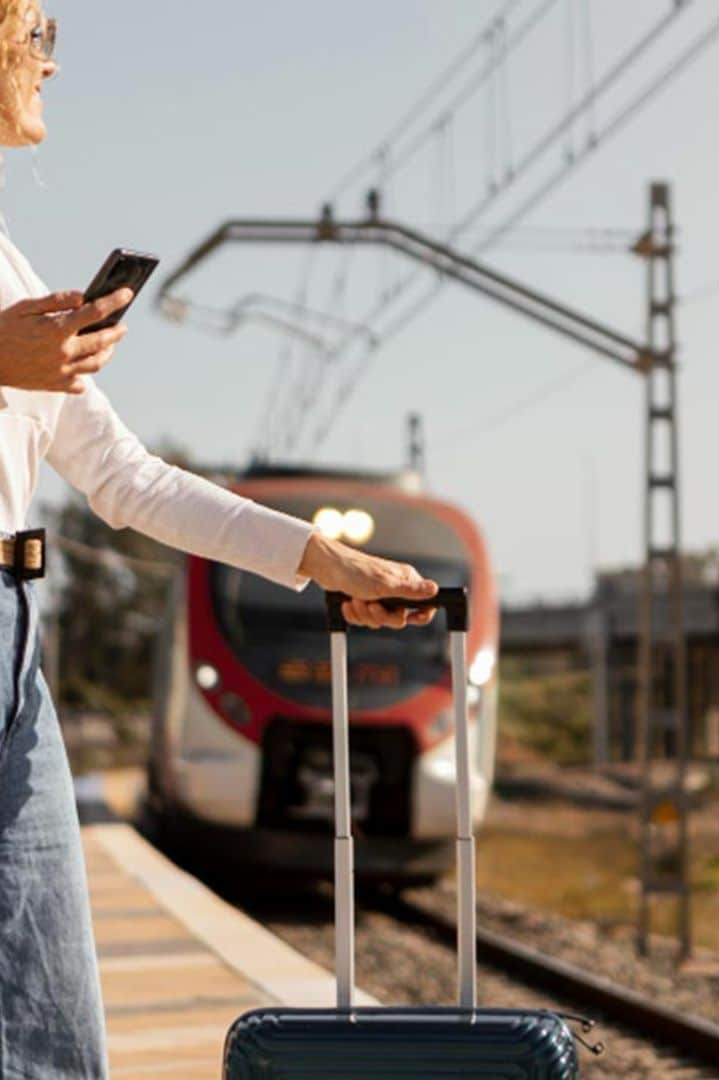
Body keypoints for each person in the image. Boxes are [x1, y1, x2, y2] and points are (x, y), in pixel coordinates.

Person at [0, 5, 439, 1076]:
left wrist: (317, 557)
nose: (50, 58)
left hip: (15, 641)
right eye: (33, 27)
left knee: (53, 1030)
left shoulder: (7, 265)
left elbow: (126, 479)